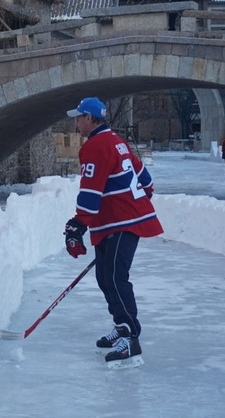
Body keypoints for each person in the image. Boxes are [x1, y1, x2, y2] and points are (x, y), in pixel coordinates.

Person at [63, 97, 164, 369]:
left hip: (122, 221)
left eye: (79, 117)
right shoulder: (117, 141)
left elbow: (91, 191)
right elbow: (146, 179)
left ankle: (131, 337)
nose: (76, 123)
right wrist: (139, 200)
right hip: (117, 220)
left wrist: (77, 225)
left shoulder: (96, 146)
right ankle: (121, 326)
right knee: (105, 276)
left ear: (91, 119)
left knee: (116, 278)